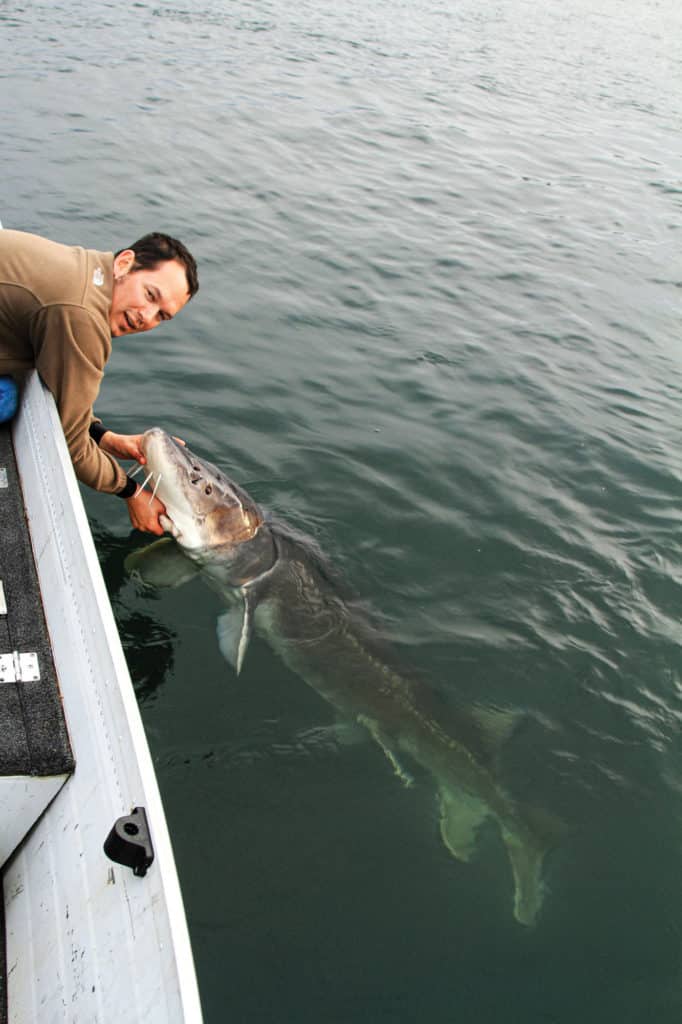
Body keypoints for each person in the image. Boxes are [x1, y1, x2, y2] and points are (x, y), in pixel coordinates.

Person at [0, 229, 198, 534]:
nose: (146, 316)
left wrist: (103, 437)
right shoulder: (82, 316)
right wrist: (131, 491)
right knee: (6, 399)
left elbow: (68, 395)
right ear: (125, 264)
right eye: (149, 295)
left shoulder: (87, 269)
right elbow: (72, 445)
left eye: (162, 316)